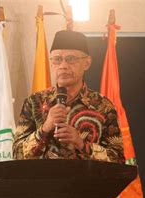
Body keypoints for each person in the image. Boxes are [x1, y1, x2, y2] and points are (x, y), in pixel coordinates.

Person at [13, 30, 124, 163]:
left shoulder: (103, 106)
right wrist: (45, 127)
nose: (63, 66)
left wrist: (81, 144)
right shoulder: (34, 102)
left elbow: (118, 160)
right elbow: (17, 155)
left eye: (71, 59)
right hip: (43, 183)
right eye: (57, 59)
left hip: (87, 183)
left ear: (87, 63)